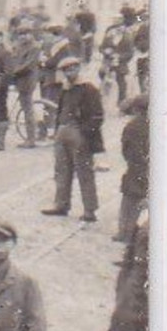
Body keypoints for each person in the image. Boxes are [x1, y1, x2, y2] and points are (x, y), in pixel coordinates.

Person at [40, 54, 104, 223]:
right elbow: (61, 110)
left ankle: (90, 210)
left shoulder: (89, 89)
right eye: (66, 70)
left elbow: (97, 116)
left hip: (79, 134)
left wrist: (83, 134)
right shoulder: (66, 88)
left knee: (84, 173)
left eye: (73, 68)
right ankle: (61, 204)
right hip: (62, 132)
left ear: (78, 68)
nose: (70, 72)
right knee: (61, 171)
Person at [116, 93, 149, 243]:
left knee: (129, 202)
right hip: (148, 168)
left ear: (135, 109)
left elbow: (126, 150)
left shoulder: (132, 126)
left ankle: (125, 233)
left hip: (135, 168)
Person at [8, 25, 42, 148]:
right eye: (20, 34)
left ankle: (31, 139)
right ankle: (31, 136)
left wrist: (13, 72)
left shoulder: (34, 47)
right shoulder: (18, 46)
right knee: (26, 108)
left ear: (31, 34)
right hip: (19, 80)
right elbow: (13, 60)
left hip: (27, 81)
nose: (23, 36)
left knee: (28, 110)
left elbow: (28, 65)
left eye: (26, 33)